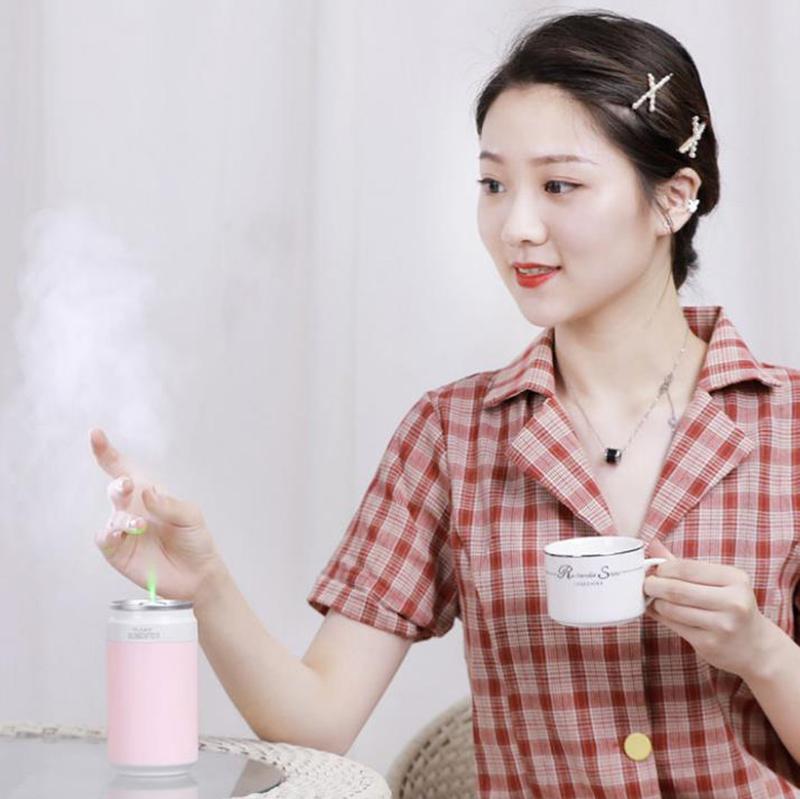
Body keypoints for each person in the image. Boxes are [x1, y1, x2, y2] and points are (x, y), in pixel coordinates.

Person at [91, 10, 800, 797]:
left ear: (674, 198)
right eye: (494, 185)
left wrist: (761, 651)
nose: (516, 226)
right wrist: (206, 585)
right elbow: (316, 726)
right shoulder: (453, 433)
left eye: (559, 185)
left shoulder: (790, 428)